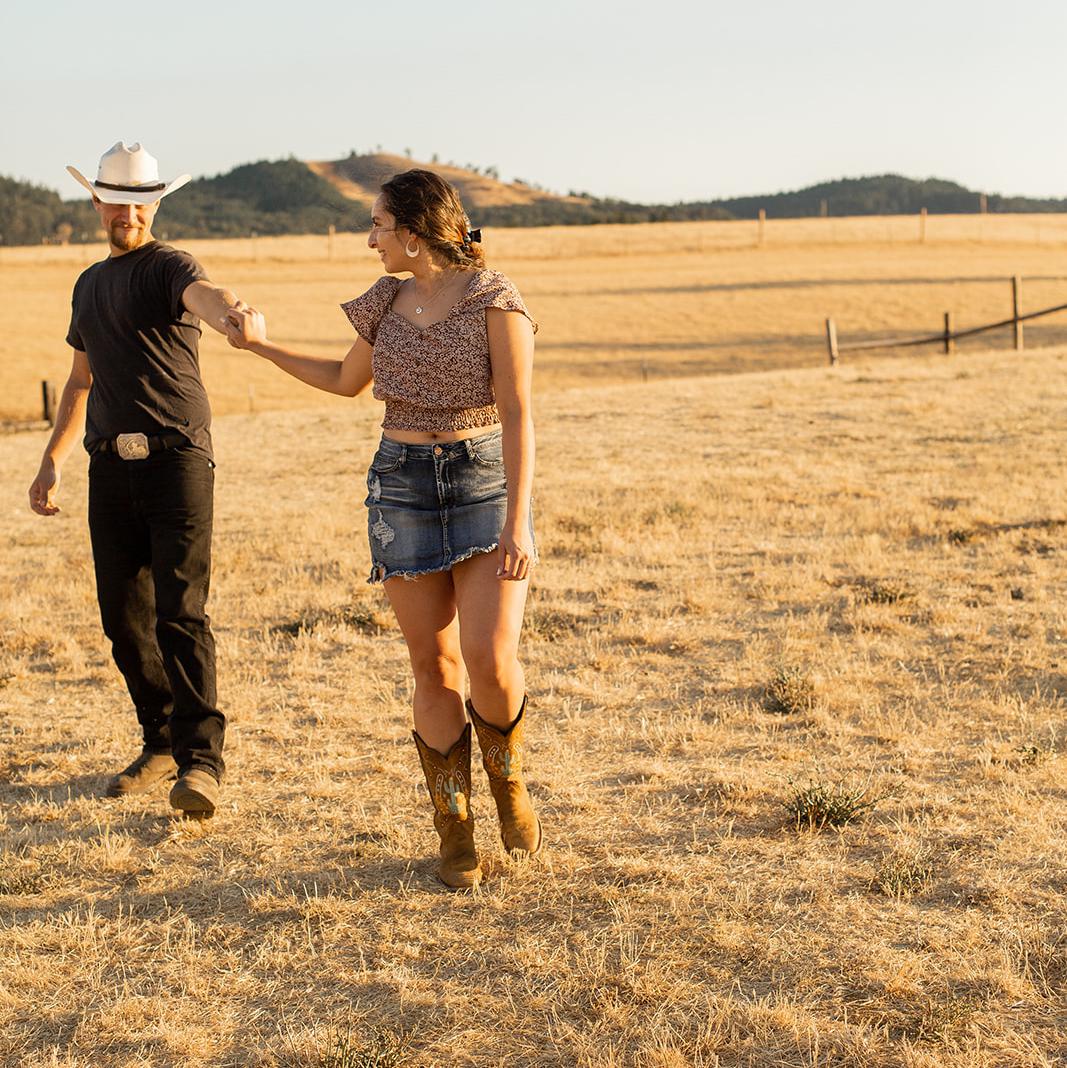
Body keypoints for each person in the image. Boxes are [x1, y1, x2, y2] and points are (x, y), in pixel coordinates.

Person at [225, 169, 542, 888]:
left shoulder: (495, 297)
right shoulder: (385, 301)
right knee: (433, 666)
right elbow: (346, 381)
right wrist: (261, 347)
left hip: (481, 482)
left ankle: (508, 780)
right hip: (400, 486)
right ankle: (454, 828)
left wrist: (518, 520)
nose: (371, 240)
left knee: (489, 658)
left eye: (378, 225)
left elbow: (519, 412)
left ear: (415, 232)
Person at [28, 141, 247, 819]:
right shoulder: (89, 284)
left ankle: (201, 763)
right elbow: (79, 381)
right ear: (98, 203)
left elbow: (206, 295)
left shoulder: (169, 266)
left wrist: (231, 311)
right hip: (107, 465)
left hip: (177, 459)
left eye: (139, 203)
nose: (127, 214)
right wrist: (52, 459)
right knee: (122, 618)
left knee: (181, 613)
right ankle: (158, 741)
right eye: (116, 203)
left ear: (154, 205)